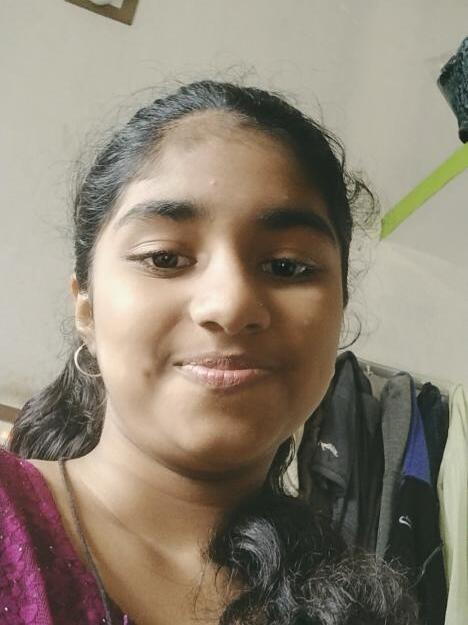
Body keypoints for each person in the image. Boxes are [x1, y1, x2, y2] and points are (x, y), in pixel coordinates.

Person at [2, 80, 419, 625]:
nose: (231, 304)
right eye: (165, 258)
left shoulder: (356, 609)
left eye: (286, 266)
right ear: (87, 309)